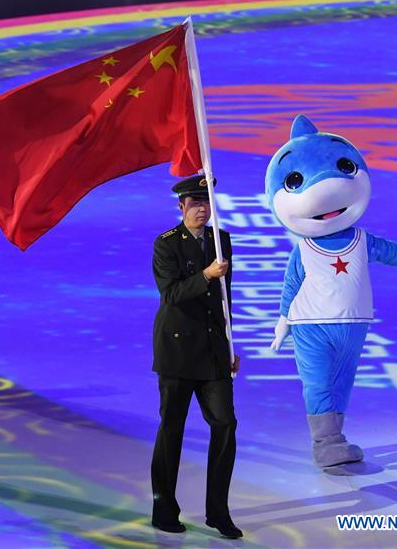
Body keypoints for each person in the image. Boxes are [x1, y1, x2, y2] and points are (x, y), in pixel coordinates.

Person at [150, 174, 242, 539]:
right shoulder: (166, 244)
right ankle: (163, 508)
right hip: (177, 352)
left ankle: (218, 512)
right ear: (181, 207)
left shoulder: (222, 240)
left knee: (225, 424)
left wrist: (230, 344)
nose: (201, 209)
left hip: (214, 352)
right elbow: (171, 294)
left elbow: (224, 297)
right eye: (194, 203)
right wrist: (205, 274)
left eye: (206, 203)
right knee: (172, 430)